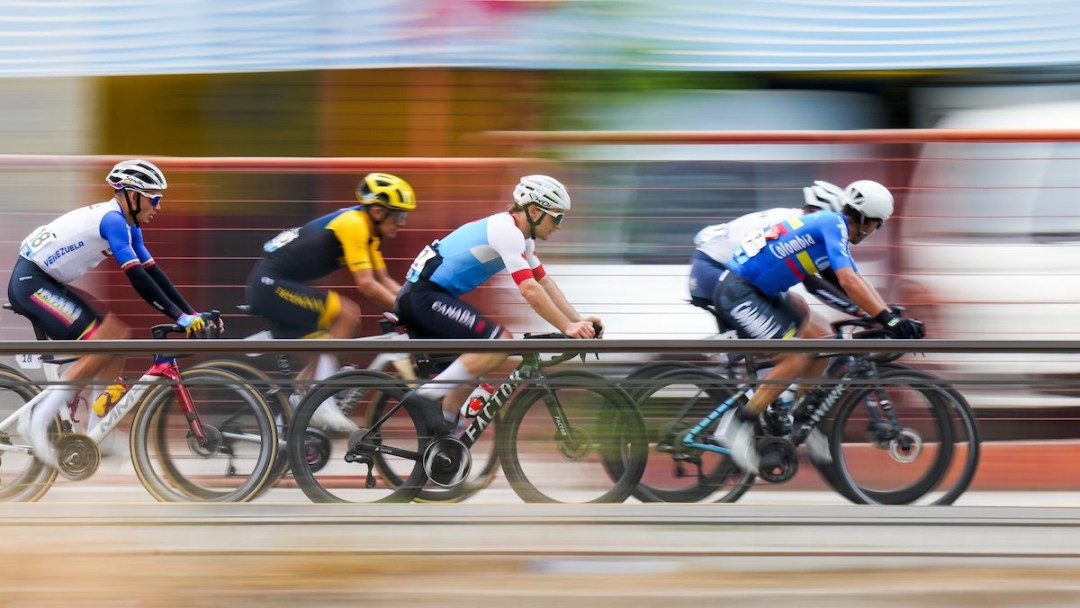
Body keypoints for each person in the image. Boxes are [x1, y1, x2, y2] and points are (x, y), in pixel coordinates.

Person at [708, 179, 925, 475]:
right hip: (739, 292)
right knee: (795, 356)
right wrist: (888, 320)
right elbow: (848, 280)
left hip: (759, 292)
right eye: (877, 225)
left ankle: (800, 422)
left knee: (818, 345)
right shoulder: (834, 224)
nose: (874, 231)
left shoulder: (830, 227)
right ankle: (738, 426)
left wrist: (886, 314)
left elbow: (854, 282)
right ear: (867, 219)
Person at [8, 159, 208, 471]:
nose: (158, 206)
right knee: (101, 341)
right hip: (31, 283)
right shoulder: (113, 221)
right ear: (133, 196)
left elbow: (155, 273)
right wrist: (178, 317)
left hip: (47, 282)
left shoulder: (128, 226)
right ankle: (38, 420)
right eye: (154, 199)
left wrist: (189, 313)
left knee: (117, 336)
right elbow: (139, 280)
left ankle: (95, 430)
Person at [395, 174, 601, 434]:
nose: (559, 225)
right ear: (535, 210)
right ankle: (424, 398)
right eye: (556, 217)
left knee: (469, 373)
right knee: (500, 342)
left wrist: (576, 321)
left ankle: (444, 439)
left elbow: (544, 283)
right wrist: (567, 327)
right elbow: (529, 289)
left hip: (430, 297)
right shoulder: (506, 231)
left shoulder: (522, 237)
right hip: (423, 296)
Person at [245, 172, 415, 432]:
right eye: (400, 214)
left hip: (279, 284)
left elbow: (383, 278)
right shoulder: (355, 224)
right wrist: (409, 312)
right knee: (347, 314)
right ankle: (321, 401)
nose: (403, 222)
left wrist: (415, 304)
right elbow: (368, 285)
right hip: (269, 285)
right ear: (379, 212)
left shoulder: (369, 231)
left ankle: (290, 419)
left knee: (343, 331)